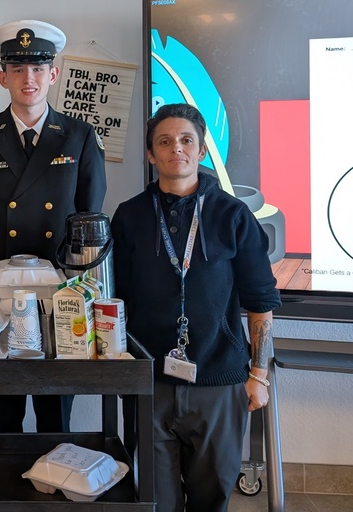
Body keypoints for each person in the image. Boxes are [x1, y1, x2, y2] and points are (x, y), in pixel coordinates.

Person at [111, 103, 280, 512]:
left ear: (201, 150)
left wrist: (259, 373)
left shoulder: (233, 216)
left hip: (220, 382)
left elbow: (260, 303)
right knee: (154, 499)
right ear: (151, 154)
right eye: (164, 142)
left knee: (212, 498)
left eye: (187, 140)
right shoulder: (129, 216)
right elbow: (114, 301)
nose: (176, 150)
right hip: (148, 381)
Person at [0, 19, 107, 433]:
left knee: (54, 403)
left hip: (59, 288)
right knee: (1, 396)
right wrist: (0, 270)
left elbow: (87, 220)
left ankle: (52, 485)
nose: (29, 79)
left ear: (53, 74)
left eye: (38, 68)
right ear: (2, 76)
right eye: (18, 69)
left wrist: (68, 281)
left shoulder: (78, 135)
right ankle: (2, 486)